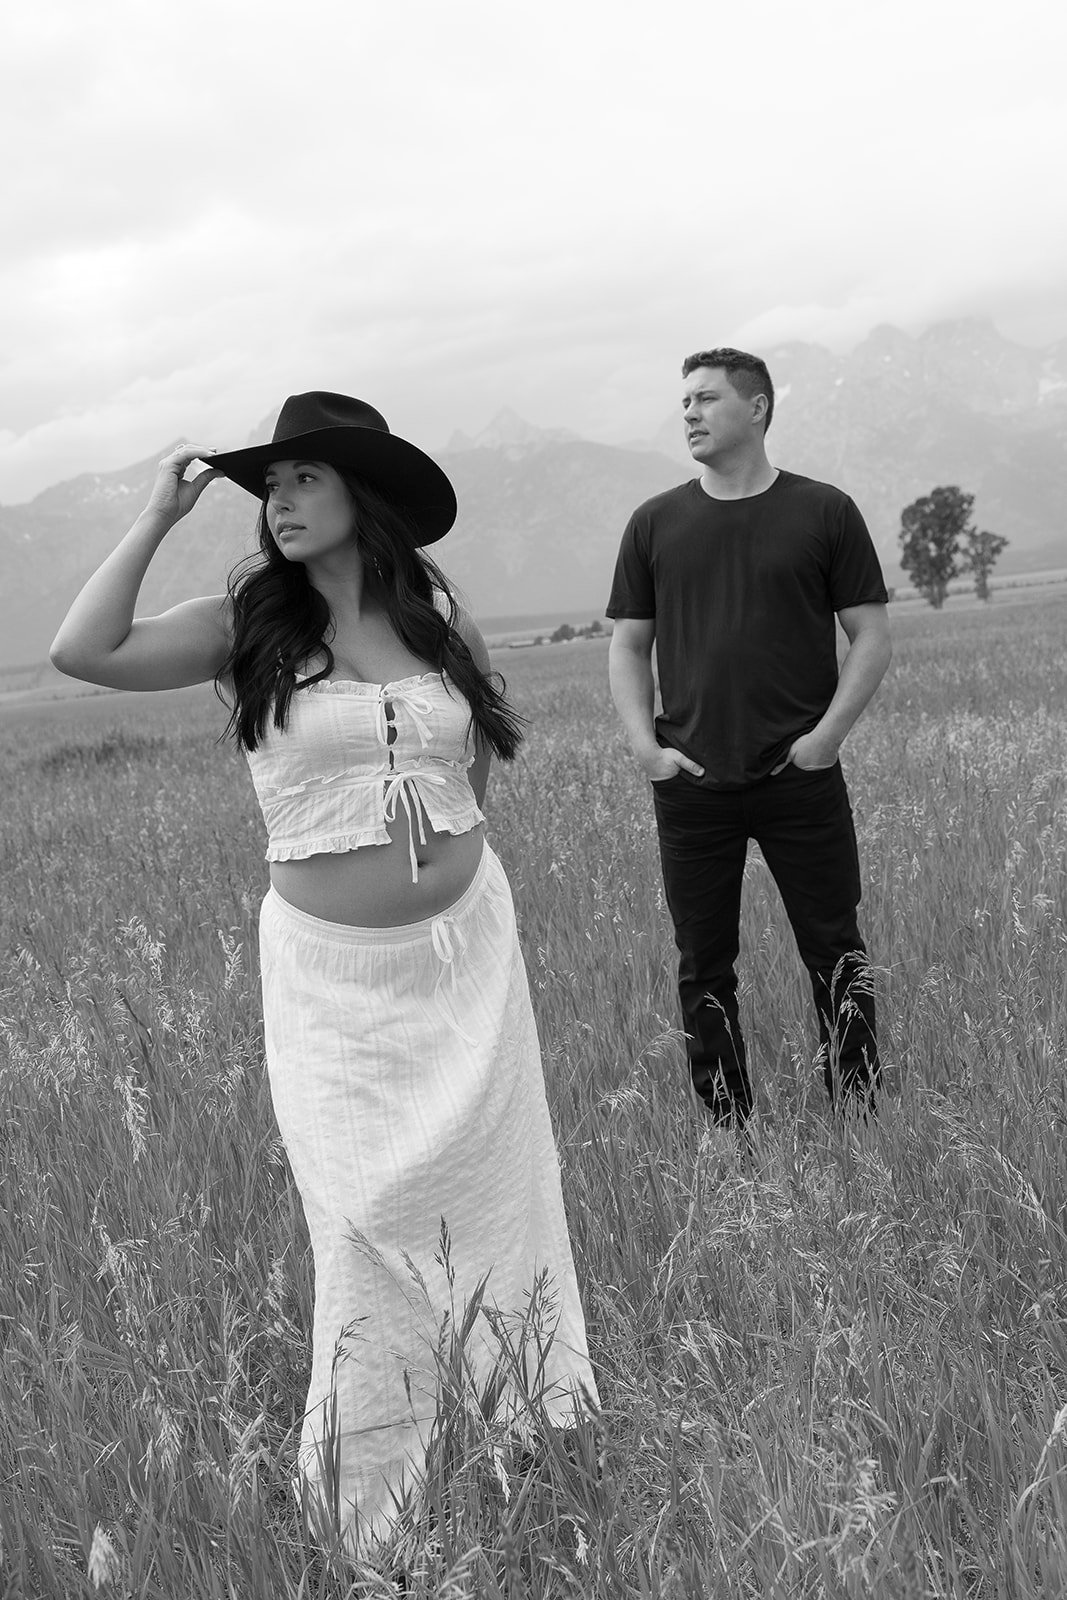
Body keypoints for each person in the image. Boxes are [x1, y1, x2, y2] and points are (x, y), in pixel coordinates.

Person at [50, 390, 598, 1547]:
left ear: (365, 492)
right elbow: (81, 649)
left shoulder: (441, 627)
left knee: (497, 1214)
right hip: (334, 986)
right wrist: (154, 514)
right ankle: (369, 1520)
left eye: (305, 477)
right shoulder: (245, 622)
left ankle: (507, 1451)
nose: (280, 499)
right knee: (358, 1226)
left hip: (466, 967)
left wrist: (453, 890)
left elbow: (474, 774)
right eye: (272, 483)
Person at [607, 349, 891, 1126]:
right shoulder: (654, 523)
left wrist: (824, 741)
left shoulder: (824, 512)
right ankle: (729, 1127)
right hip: (691, 784)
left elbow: (869, 636)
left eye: (705, 399)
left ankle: (859, 1113)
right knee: (702, 964)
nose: (689, 413)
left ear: (757, 408)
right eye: (684, 402)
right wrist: (647, 750)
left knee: (834, 948)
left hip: (799, 778)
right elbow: (628, 647)